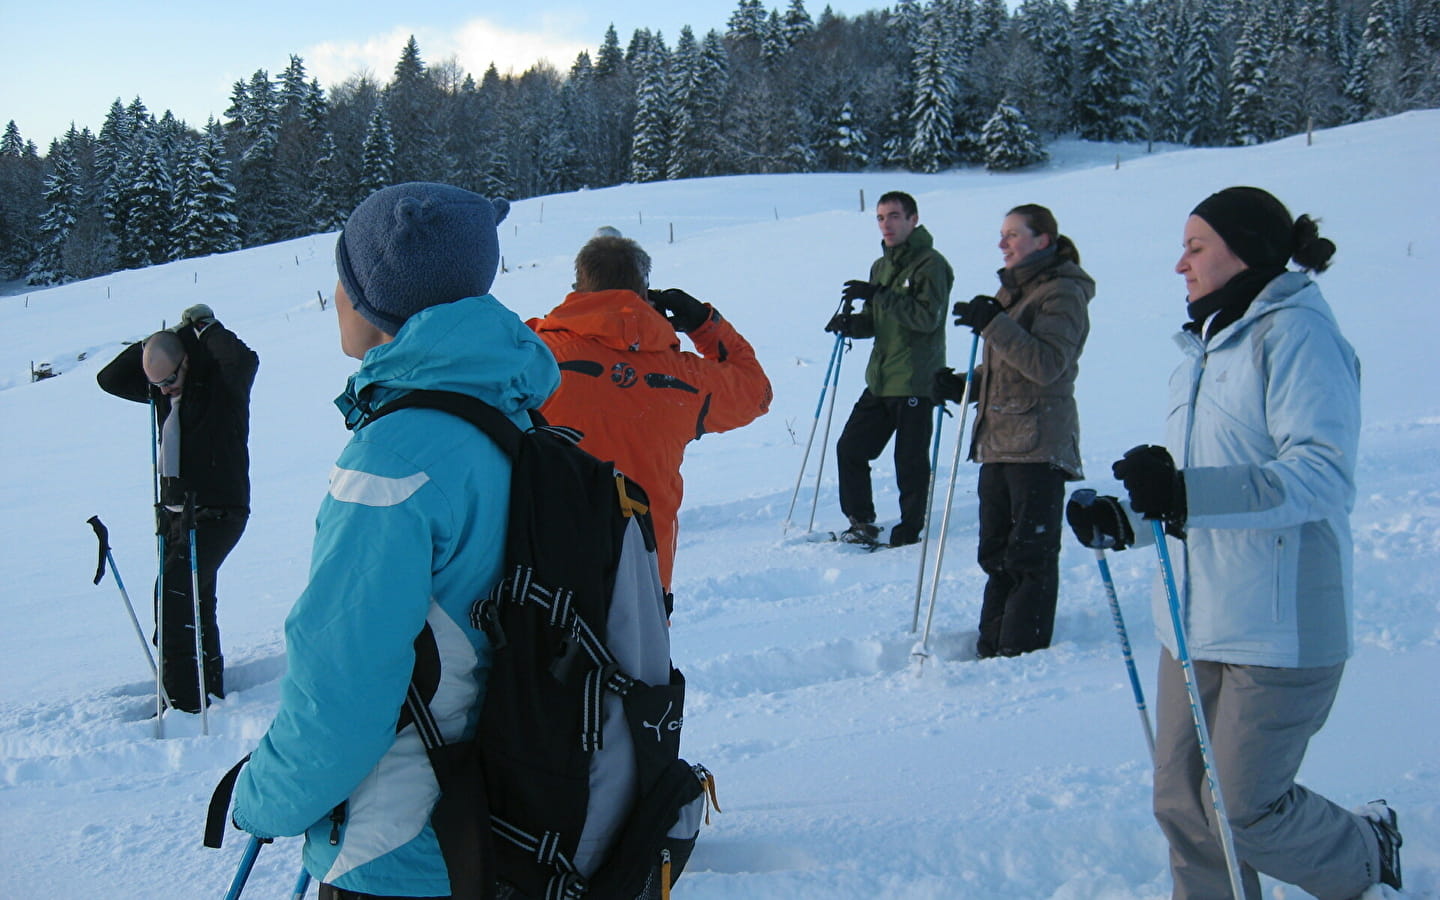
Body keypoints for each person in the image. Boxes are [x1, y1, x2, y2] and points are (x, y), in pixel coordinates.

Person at [1065, 186, 1402, 898]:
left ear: (1244, 250)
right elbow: (1203, 491)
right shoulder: (1205, 346)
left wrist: (1185, 492)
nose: (1179, 265)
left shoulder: (1299, 337)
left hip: (1278, 632)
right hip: (1193, 621)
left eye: (1196, 247)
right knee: (1182, 806)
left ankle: (1364, 851)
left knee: (1242, 810)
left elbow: (1318, 477)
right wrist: (1133, 519)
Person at [230, 182, 560, 899]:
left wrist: (262, 798)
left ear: (375, 298)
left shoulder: (392, 462)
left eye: (343, 279)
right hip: (504, 819)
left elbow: (342, 686)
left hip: (399, 846)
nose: (336, 297)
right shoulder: (512, 418)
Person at [528, 232, 771, 600]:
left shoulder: (532, 357)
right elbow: (757, 392)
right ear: (646, 294)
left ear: (577, 289)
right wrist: (706, 324)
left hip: (541, 579)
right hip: (642, 588)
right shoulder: (686, 378)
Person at [937, 204, 1094, 658]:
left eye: (1013, 234)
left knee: (1029, 555)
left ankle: (1020, 650)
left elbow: (1047, 365)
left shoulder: (1062, 294)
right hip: (999, 440)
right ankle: (993, 643)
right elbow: (1007, 369)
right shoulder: (1016, 293)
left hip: (1038, 443)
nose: (1003, 243)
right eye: (1001, 235)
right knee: (996, 553)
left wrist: (993, 323)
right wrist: (963, 386)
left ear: (1042, 240)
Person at [96, 305, 258, 712]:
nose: (164, 390)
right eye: (158, 383)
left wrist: (204, 329)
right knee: (197, 601)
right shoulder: (161, 389)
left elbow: (245, 359)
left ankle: (184, 706)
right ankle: (209, 687)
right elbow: (110, 379)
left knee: (171, 597)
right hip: (176, 514)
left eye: (170, 379)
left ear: (188, 361)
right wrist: (159, 341)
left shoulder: (221, 386)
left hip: (219, 510)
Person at [827, 190, 952, 547]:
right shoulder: (880, 267)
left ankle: (911, 526)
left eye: (895, 216)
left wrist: (878, 296)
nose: (887, 224)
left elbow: (927, 318)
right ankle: (861, 521)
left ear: (913, 219)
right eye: (881, 218)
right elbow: (880, 320)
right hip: (881, 379)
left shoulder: (931, 264)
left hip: (915, 378)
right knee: (850, 448)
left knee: (909, 461)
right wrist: (853, 325)